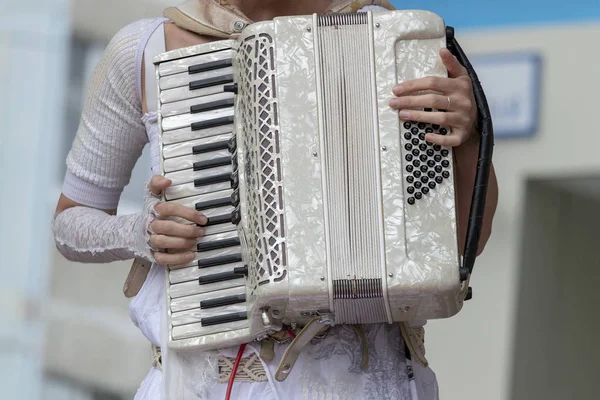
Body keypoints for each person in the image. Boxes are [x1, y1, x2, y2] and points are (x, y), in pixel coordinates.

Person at [52, 1, 499, 399]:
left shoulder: (394, 39)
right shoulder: (144, 49)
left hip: (362, 383)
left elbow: (466, 243)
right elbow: (70, 224)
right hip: (201, 385)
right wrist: (139, 233)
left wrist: (471, 137)